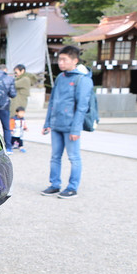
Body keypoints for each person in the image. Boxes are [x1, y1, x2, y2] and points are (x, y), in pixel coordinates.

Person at [42, 45, 93, 199]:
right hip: (57, 124)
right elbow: (52, 102)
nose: (60, 62)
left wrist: (76, 129)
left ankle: (72, 187)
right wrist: (47, 123)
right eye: (59, 59)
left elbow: (82, 107)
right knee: (55, 157)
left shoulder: (82, 80)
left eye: (64, 59)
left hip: (71, 126)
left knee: (74, 157)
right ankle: (54, 184)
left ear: (75, 60)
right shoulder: (60, 77)